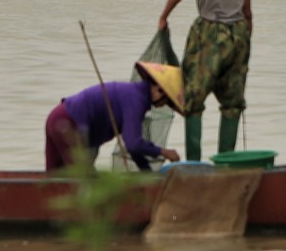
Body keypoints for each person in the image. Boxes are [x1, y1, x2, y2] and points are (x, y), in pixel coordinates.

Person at [158, 0, 251, 161]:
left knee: (193, 99)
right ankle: (226, 163)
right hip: (239, 34)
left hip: (210, 31)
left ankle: (193, 163)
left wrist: (164, 16)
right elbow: (247, 12)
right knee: (232, 103)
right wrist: (244, 44)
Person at [45, 60, 184, 172]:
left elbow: (132, 145)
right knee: (83, 181)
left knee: (53, 179)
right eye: (167, 101)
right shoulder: (137, 100)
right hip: (69, 124)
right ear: (159, 91)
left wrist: (147, 173)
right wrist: (163, 152)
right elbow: (134, 144)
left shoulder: (134, 94)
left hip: (56, 117)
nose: (163, 105)